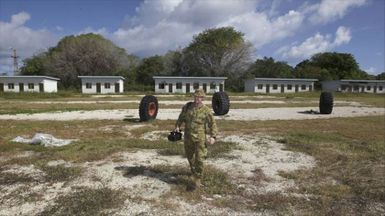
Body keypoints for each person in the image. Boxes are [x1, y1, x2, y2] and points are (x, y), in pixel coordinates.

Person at [174, 89, 218, 191]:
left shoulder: (206, 110)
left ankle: (197, 179)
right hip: (188, 137)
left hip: (200, 138)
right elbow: (181, 118)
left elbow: (213, 124)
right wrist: (177, 126)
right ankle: (194, 173)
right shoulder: (187, 107)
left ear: (203, 98)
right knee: (190, 157)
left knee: (200, 158)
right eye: (196, 96)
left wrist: (213, 136)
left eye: (200, 97)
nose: (197, 99)